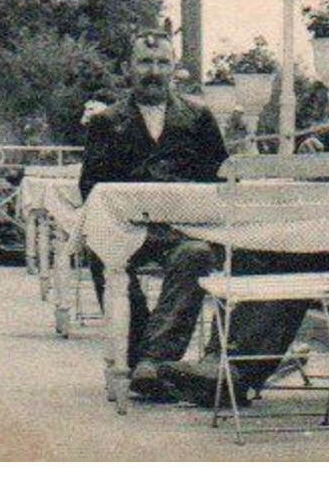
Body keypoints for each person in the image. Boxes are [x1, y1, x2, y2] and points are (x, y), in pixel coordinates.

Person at [160, 23, 329, 407]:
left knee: (288, 258)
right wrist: (318, 145)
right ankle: (221, 362)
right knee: (251, 251)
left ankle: (238, 372)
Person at [79, 28, 228, 400]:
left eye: (163, 62)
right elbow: (90, 186)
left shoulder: (198, 118)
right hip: (127, 230)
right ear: (128, 68)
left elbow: (220, 179)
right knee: (104, 256)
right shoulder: (106, 121)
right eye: (145, 62)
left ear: (174, 68)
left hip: (182, 229)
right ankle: (145, 359)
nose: (154, 71)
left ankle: (153, 362)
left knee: (196, 255)